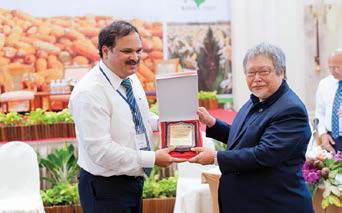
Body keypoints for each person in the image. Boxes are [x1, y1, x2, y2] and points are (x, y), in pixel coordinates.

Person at [69, 21, 184, 213]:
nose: (135, 57)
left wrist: (169, 123)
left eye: (138, 51)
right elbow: (101, 151)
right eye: (127, 51)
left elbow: (139, 117)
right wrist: (152, 158)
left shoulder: (130, 77)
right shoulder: (89, 93)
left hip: (132, 181)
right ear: (106, 51)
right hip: (105, 189)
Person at [189, 43, 313, 212]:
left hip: (274, 204)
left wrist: (215, 157)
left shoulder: (290, 109)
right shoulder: (256, 100)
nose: (256, 78)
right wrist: (212, 123)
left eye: (263, 71)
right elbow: (244, 137)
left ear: (281, 71)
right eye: (251, 73)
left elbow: (264, 154)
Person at [315, 49, 342, 153]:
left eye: (337, 67)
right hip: (331, 138)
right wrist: (323, 134)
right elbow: (319, 112)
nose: (333, 71)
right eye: (331, 67)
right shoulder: (324, 84)